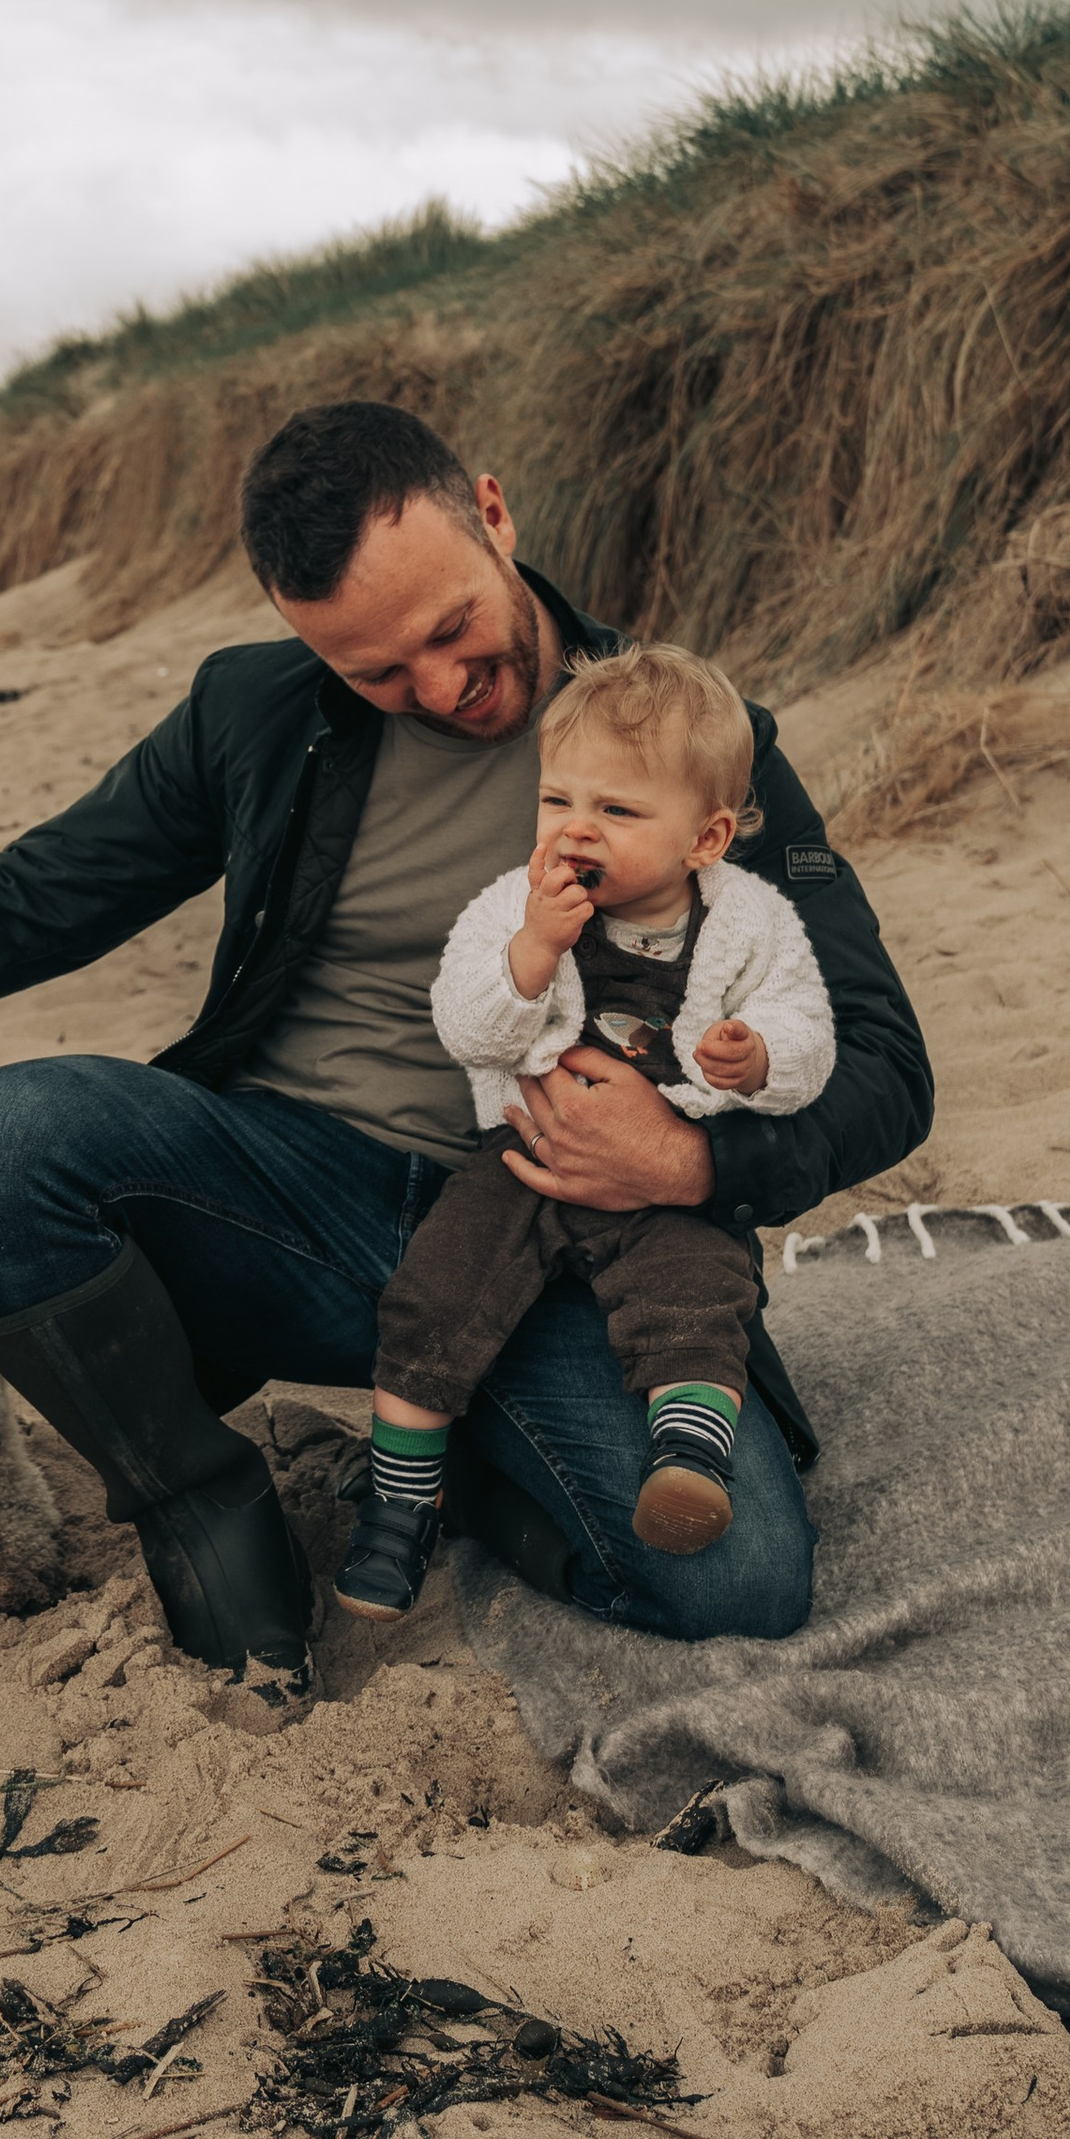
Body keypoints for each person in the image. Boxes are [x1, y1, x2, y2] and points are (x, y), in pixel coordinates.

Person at [0, 401, 933, 1690]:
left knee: (739, 1583)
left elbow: (882, 1058)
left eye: (447, 631)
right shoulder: (254, 715)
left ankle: (470, 1459)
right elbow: (22, 903)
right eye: (375, 671)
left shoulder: (682, 742)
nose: (434, 690)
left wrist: (691, 1167)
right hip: (280, 1198)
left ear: (492, 513)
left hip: (552, 1236)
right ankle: (198, 1498)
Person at [336, 642, 835, 1621]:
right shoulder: (512, 909)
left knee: (698, 1291)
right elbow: (466, 1026)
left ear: (705, 837)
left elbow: (809, 1022)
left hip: (660, 1186)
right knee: (433, 1296)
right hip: (527, 1159)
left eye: (615, 810)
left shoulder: (749, 923)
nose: (574, 830)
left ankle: (685, 1455)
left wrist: (761, 1056)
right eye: (557, 800)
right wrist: (530, 953)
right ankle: (400, 1507)